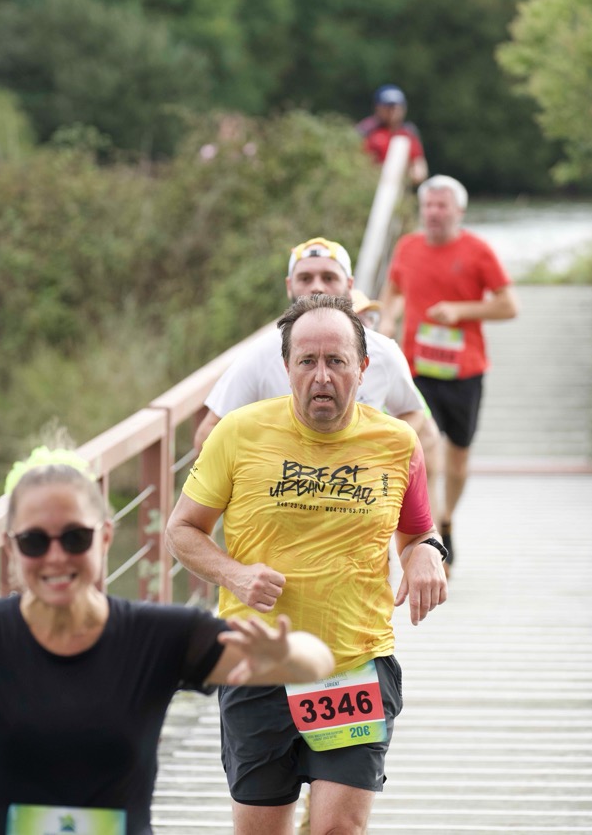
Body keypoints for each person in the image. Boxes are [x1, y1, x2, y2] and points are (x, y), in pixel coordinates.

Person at [0, 446, 335, 835]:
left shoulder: (157, 635)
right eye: (35, 541)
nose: (56, 556)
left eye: (75, 538)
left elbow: (317, 660)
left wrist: (286, 654)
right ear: (11, 549)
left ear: (105, 536)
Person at [166, 294, 449, 835]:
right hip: (259, 666)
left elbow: (418, 532)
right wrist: (235, 574)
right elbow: (182, 530)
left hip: (355, 665)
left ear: (363, 369)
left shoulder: (397, 443)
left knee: (339, 830)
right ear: (286, 367)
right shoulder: (238, 432)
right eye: (307, 361)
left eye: (336, 361)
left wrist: (427, 555)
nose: (322, 376)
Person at [192, 238, 438, 473]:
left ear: (349, 285)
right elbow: (208, 433)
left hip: (358, 494)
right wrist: (255, 478)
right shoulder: (261, 355)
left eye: (329, 277)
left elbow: (413, 412)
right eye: (305, 278)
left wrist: (377, 458)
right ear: (289, 286)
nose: (317, 287)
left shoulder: (383, 352)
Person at [378, 175, 519, 568]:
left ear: (459, 211)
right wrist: (387, 318)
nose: (434, 213)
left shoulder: (477, 251)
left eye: (442, 206)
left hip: (464, 371)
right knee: (423, 446)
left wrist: (461, 311)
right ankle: (429, 529)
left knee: (458, 458)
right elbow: (393, 290)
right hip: (416, 369)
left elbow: (509, 305)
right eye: (428, 206)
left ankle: (447, 517)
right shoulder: (407, 247)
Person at [355, 84, 428, 186]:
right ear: (377, 108)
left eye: (397, 107)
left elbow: (419, 169)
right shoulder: (366, 130)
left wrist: (407, 175)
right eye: (388, 107)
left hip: (399, 186)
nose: (393, 111)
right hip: (368, 184)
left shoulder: (409, 132)